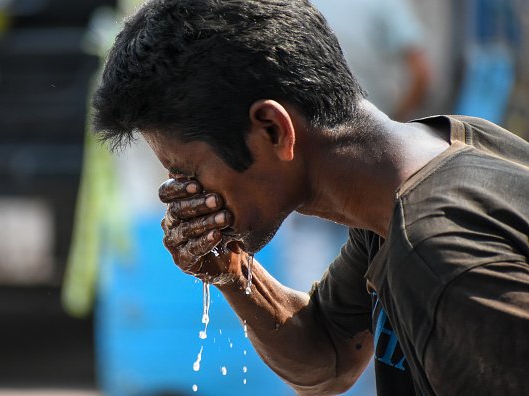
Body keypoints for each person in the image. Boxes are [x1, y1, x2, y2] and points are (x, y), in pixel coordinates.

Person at [91, 0, 529, 394]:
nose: (184, 193)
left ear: (273, 129)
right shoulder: (399, 192)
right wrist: (230, 268)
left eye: (188, 171)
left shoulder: (437, 251)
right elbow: (329, 357)